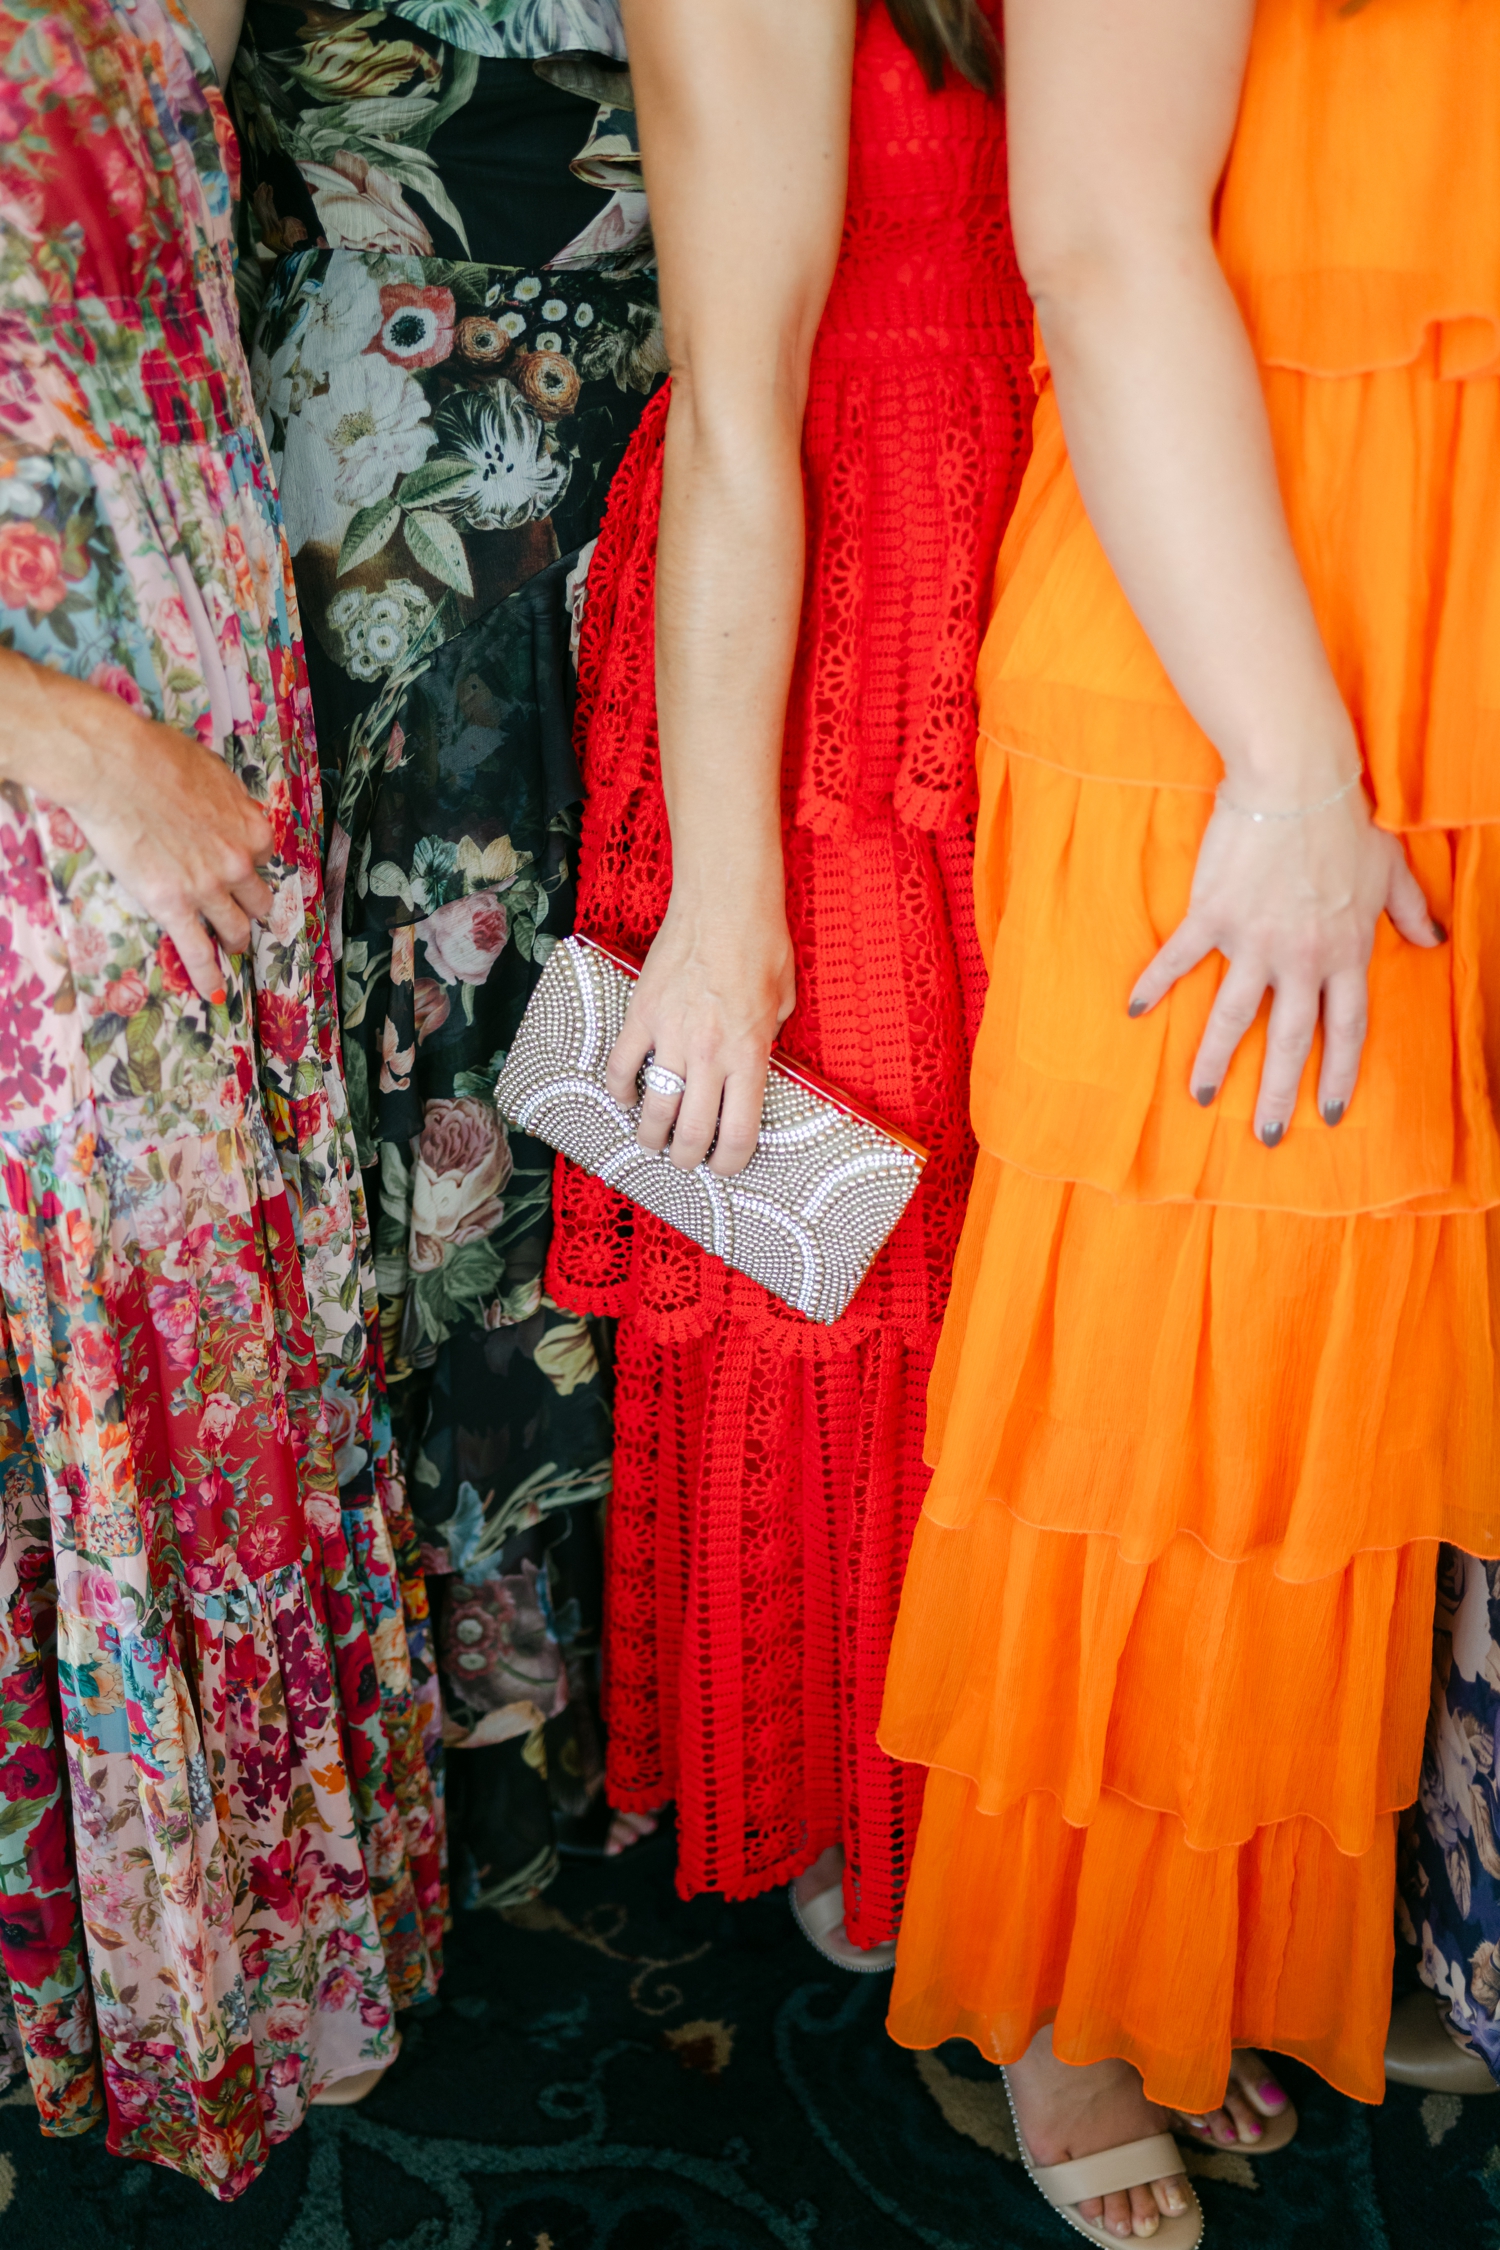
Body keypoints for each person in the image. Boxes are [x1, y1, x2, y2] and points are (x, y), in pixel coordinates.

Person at [877, 0, 1500, 2239]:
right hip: (1244, 648)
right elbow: (1104, 232)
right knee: (1171, 1368)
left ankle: (1214, 1944)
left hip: (1453, 615)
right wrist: (1295, 764)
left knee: (1351, 1390)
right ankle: (1071, 1997)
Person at [0, 0, 440, 2195]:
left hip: (204, 699)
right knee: (110, 1372)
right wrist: (78, 747)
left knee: (220, 1349)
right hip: (59, 770)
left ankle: (229, 1965)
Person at [546, 0, 1035, 1961]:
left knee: (1022, 1256)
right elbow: (735, 410)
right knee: (846, 1230)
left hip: (1034, 558)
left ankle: (1037, 1848)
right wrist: (726, 892)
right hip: (827, 603)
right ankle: (889, 1828)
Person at [224, 0, 665, 1899]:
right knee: (419, 1053)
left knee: (616, 1025)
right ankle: (437, 1686)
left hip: (652, 451)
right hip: (372, 477)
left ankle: (617, 1657)